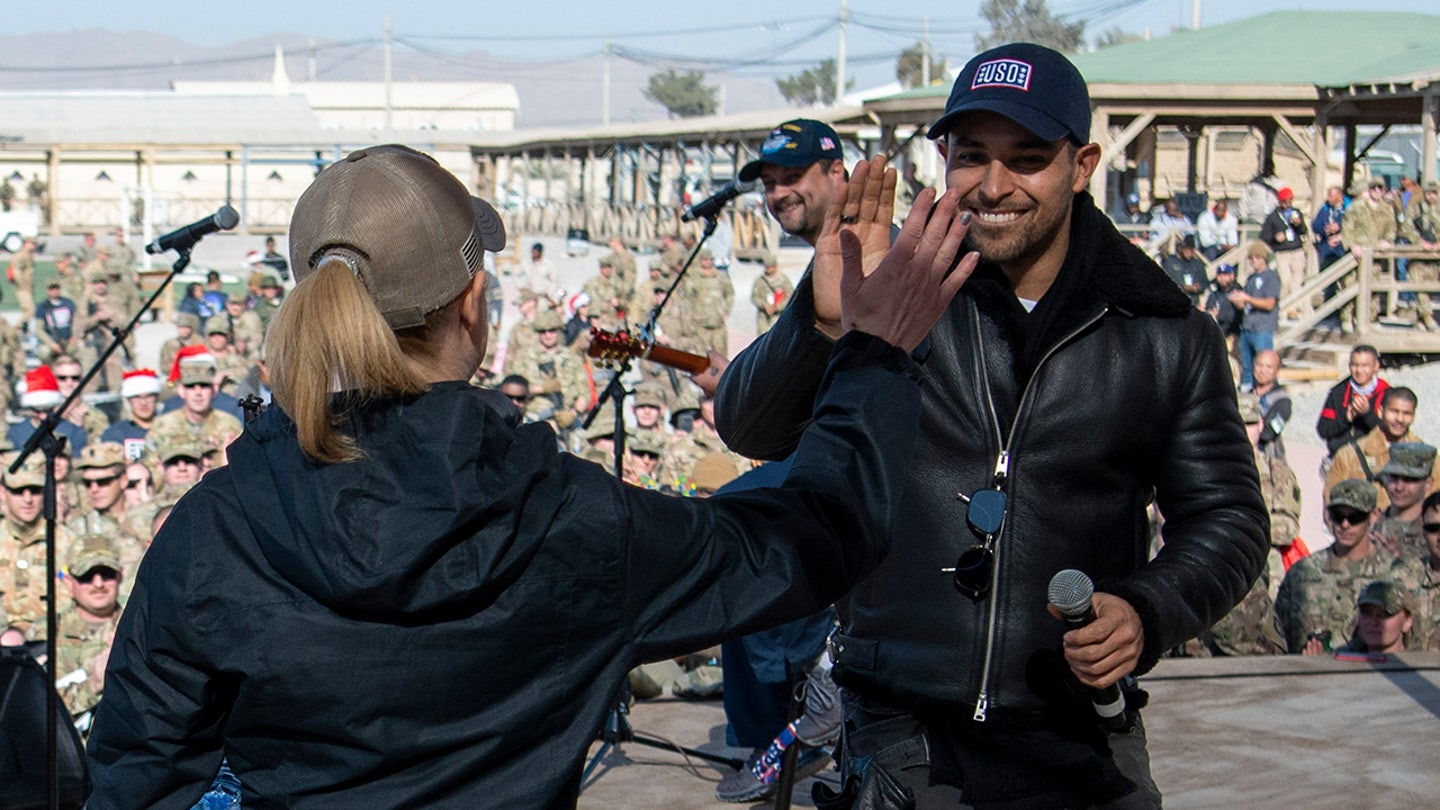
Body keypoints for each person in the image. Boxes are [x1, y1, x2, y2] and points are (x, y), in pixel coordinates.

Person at [85, 142, 975, 808]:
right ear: (473, 304)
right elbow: (815, 535)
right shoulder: (564, 521)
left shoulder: (213, 530)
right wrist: (870, 355)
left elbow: (137, 774)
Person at [715, 44, 1266, 808]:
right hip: (900, 732)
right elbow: (749, 426)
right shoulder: (898, 295)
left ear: (1083, 164)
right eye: (971, 156)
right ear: (942, 158)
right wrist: (828, 318)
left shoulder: (1166, 331)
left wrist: (1148, 610)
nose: (995, 186)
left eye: (1029, 157)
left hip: (1081, 735)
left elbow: (1228, 518)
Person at [1275, 479, 1409, 654]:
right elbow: (1279, 638)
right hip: (1310, 677)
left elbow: (1412, 641)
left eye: (1355, 517)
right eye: (1337, 516)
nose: (1345, 524)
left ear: (1373, 516)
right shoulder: (1302, 573)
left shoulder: (1396, 573)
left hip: (1377, 676)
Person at [1324, 386, 1436, 510]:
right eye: (1394, 411)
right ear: (1380, 411)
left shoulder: (1429, 458)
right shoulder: (1350, 456)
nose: (1400, 419)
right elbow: (1331, 504)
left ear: (1413, 417)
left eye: (1406, 414)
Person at [1317, 345, 1388, 456]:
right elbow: (1323, 430)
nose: (1359, 370)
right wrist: (1346, 418)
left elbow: (1390, 433)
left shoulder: (1387, 394)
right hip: (1340, 458)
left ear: (1376, 366)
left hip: (1373, 459)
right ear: (1349, 366)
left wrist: (1367, 415)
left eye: (1365, 365)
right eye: (1355, 365)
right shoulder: (1338, 393)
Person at [1369, 443, 1436, 560]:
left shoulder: (1433, 529)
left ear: (1428, 483)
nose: (1399, 487)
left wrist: (1397, 560)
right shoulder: (1367, 525)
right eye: (1393, 477)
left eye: (1409, 480)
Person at [1229, 242, 1280, 391]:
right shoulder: (1251, 278)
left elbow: (1270, 304)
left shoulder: (1272, 277)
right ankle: (1246, 398)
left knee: (1264, 368)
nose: (1254, 261)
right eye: (1251, 258)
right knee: (1247, 368)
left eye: (1257, 257)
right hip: (1247, 327)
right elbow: (1246, 304)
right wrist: (1238, 300)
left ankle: (1266, 399)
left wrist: (1247, 298)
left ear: (1264, 258)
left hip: (1262, 329)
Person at [1258, 187, 1308, 314]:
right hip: (1282, 252)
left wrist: (1299, 224)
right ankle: (1283, 306)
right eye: (1285, 202)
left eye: (1290, 201)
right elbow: (1264, 236)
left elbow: (1303, 231)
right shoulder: (1273, 217)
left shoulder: (1296, 213)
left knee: (1297, 280)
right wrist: (1275, 238)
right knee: (1285, 280)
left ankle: (1294, 308)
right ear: (1280, 202)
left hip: (1297, 250)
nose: (1288, 204)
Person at [1336, 580, 1416, 655]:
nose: (1373, 622)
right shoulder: (1338, 662)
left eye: (1384, 614)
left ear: (1407, 622)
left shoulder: (1419, 665)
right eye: (1366, 613)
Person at [1252, 349, 1291, 460]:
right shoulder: (1244, 394)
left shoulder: (1283, 402)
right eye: (1259, 365)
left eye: (1268, 367)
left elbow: (1268, 433)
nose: (1263, 371)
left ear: (1277, 370)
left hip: (1267, 458)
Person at [1203, 262, 1242, 353]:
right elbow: (1209, 310)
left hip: (1232, 333)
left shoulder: (1238, 292)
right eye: (1220, 275)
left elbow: (1235, 316)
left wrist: (1218, 315)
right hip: (1215, 334)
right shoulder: (1214, 295)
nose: (1222, 278)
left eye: (1225, 275)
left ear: (1232, 276)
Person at [751, 253, 794, 335]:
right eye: (767, 267)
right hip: (764, 317)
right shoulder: (760, 281)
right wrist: (764, 305)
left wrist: (778, 307)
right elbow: (754, 297)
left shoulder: (783, 280)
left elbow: (790, 296)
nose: (768, 270)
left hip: (779, 316)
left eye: (770, 267)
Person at [1160, 234, 1206, 305]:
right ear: (1181, 248)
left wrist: (1199, 287)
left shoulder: (1197, 264)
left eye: (1191, 249)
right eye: (1187, 248)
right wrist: (1183, 287)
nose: (1189, 252)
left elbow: (1205, 282)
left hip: (1194, 300)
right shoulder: (1171, 262)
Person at [1312, 186, 1347, 271]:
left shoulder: (1348, 208)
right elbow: (1315, 225)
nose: (1328, 198)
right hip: (1326, 249)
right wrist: (1325, 229)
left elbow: (1354, 225)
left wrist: (1339, 226)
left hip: (1342, 249)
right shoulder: (1325, 209)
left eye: (1331, 196)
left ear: (1339, 196)